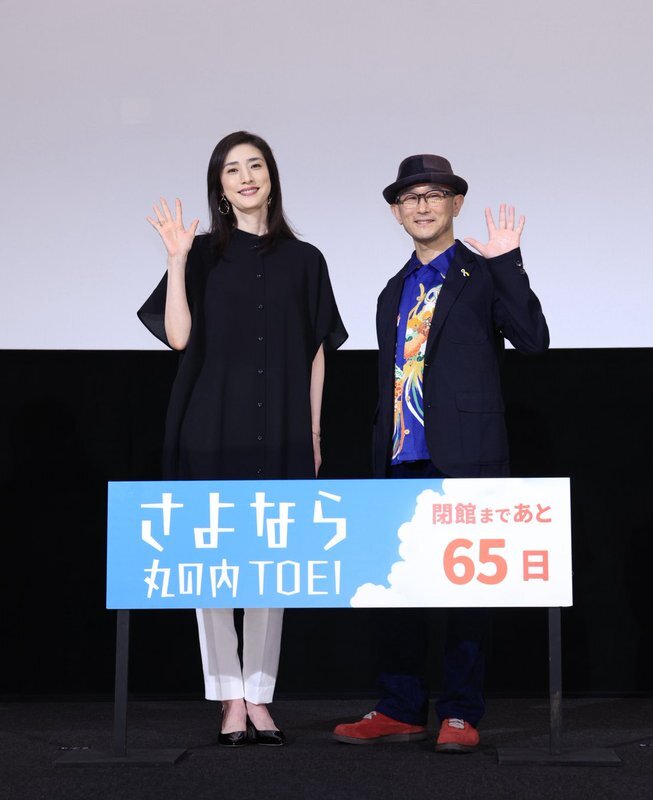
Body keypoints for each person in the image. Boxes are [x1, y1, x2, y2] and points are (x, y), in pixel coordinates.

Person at [333, 154, 549, 753]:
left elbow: (533, 340)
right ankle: (400, 708)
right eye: (410, 198)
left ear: (456, 204)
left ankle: (459, 712)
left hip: (467, 456)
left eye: (434, 195)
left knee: (466, 591)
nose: (422, 206)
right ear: (397, 213)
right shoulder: (392, 290)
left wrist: (508, 262)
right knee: (396, 589)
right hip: (399, 456)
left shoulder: (483, 274)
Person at [138, 131, 347, 747]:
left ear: (271, 178)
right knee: (212, 566)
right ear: (221, 188)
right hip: (209, 423)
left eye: (255, 165)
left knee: (270, 564)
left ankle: (259, 695)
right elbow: (178, 337)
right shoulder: (202, 254)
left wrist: (313, 430)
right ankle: (229, 696)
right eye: (232, 169)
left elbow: (316, 351)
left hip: (282, 426)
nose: (246, 176)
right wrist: (176, 261)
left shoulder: (306, 260)